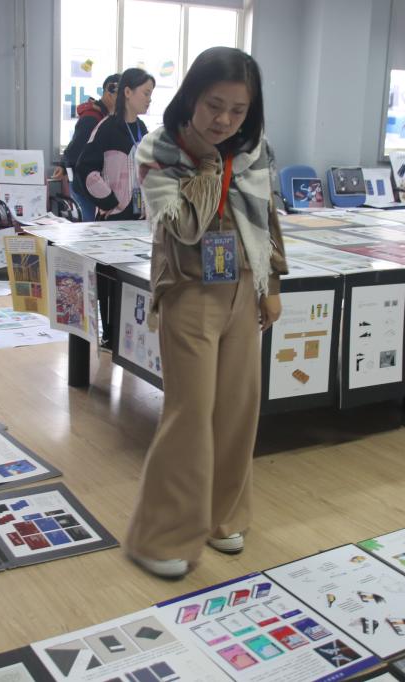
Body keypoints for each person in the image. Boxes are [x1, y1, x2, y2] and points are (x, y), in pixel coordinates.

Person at [126, 47, 287, 578]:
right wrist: (210, 162)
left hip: (243, 287)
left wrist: (270, 283)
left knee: (238, 409)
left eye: (238, 111)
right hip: (190, 290)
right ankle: (161, 536)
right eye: (215, 105)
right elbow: (184, 226)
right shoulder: (158, 150)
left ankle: (223, 518)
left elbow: (266, 215)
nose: (224, 120)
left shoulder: (254, 149)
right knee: (190, 413)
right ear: (192, 96)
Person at [74, 67, 155, 221]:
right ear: (128, 92)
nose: (149, 99)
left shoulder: (142, 127)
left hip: (140, 215)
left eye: (151, 94)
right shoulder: (106, 128)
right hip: (114, 217)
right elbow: (84, 168)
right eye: (146, 93)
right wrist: (108, 201)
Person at [51, 73, 120, 221]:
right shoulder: (92, 118)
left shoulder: (106, 117)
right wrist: (63, 166)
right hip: (85, 185)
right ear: (109, 93)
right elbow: (76, 148)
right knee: (91, 226)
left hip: (94, 183)